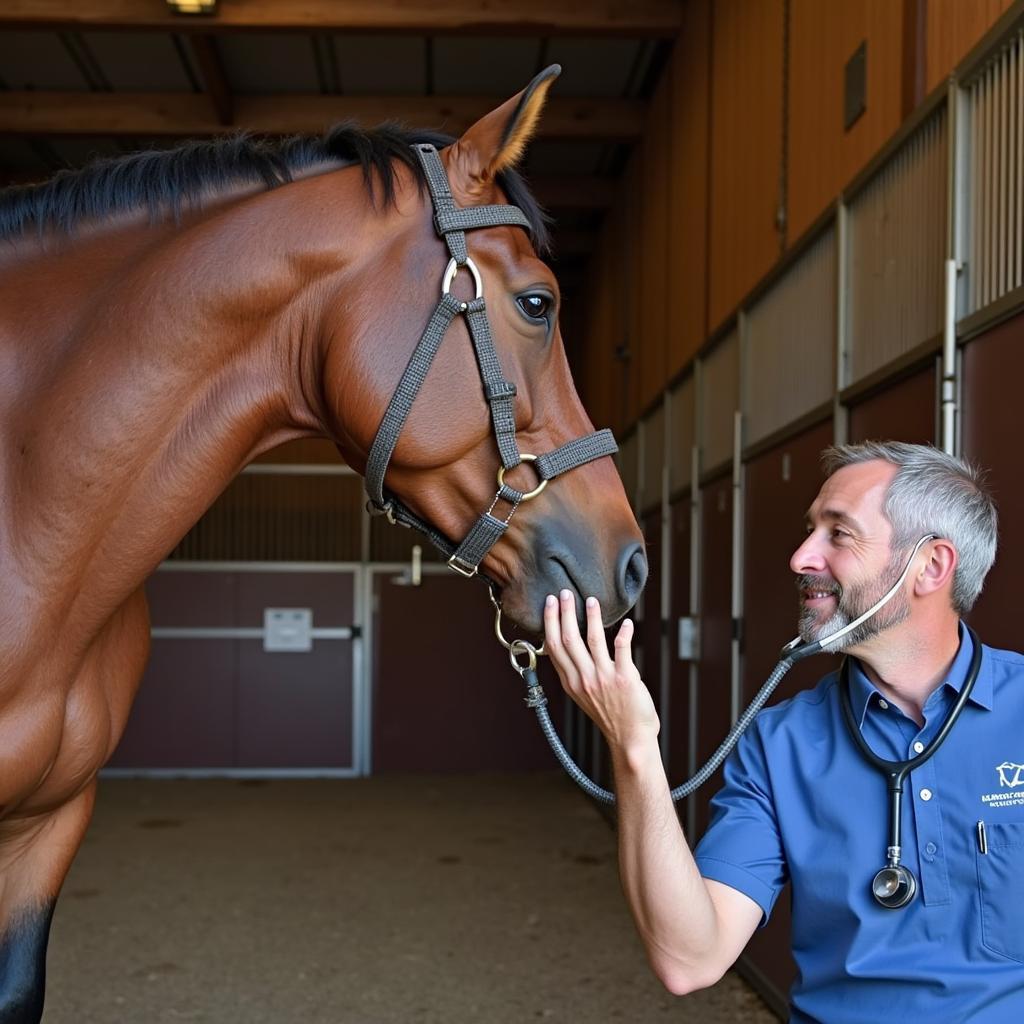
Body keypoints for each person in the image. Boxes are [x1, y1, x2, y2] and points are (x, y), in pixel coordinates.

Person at [543, 441, 1024, 1023]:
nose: (800, 557)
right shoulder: (779, 743)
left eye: (838, 534)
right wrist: (634, 748)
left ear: (930, 567)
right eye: (810, 530)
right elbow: (689, 959)